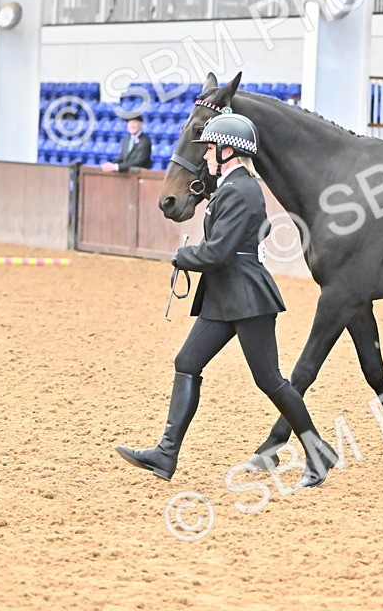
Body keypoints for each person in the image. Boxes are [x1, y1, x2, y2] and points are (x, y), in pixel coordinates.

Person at [114, 112, 338, 488]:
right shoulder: (230, 188)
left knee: (270, 380)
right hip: (224, 295)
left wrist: (182, 256)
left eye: (211, 149)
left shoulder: (242, 190)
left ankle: (318, 452)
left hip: (246, 297)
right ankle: (166, 454)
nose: (205, 156)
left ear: (229, 150)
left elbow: (219, 253)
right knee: (186, 362)